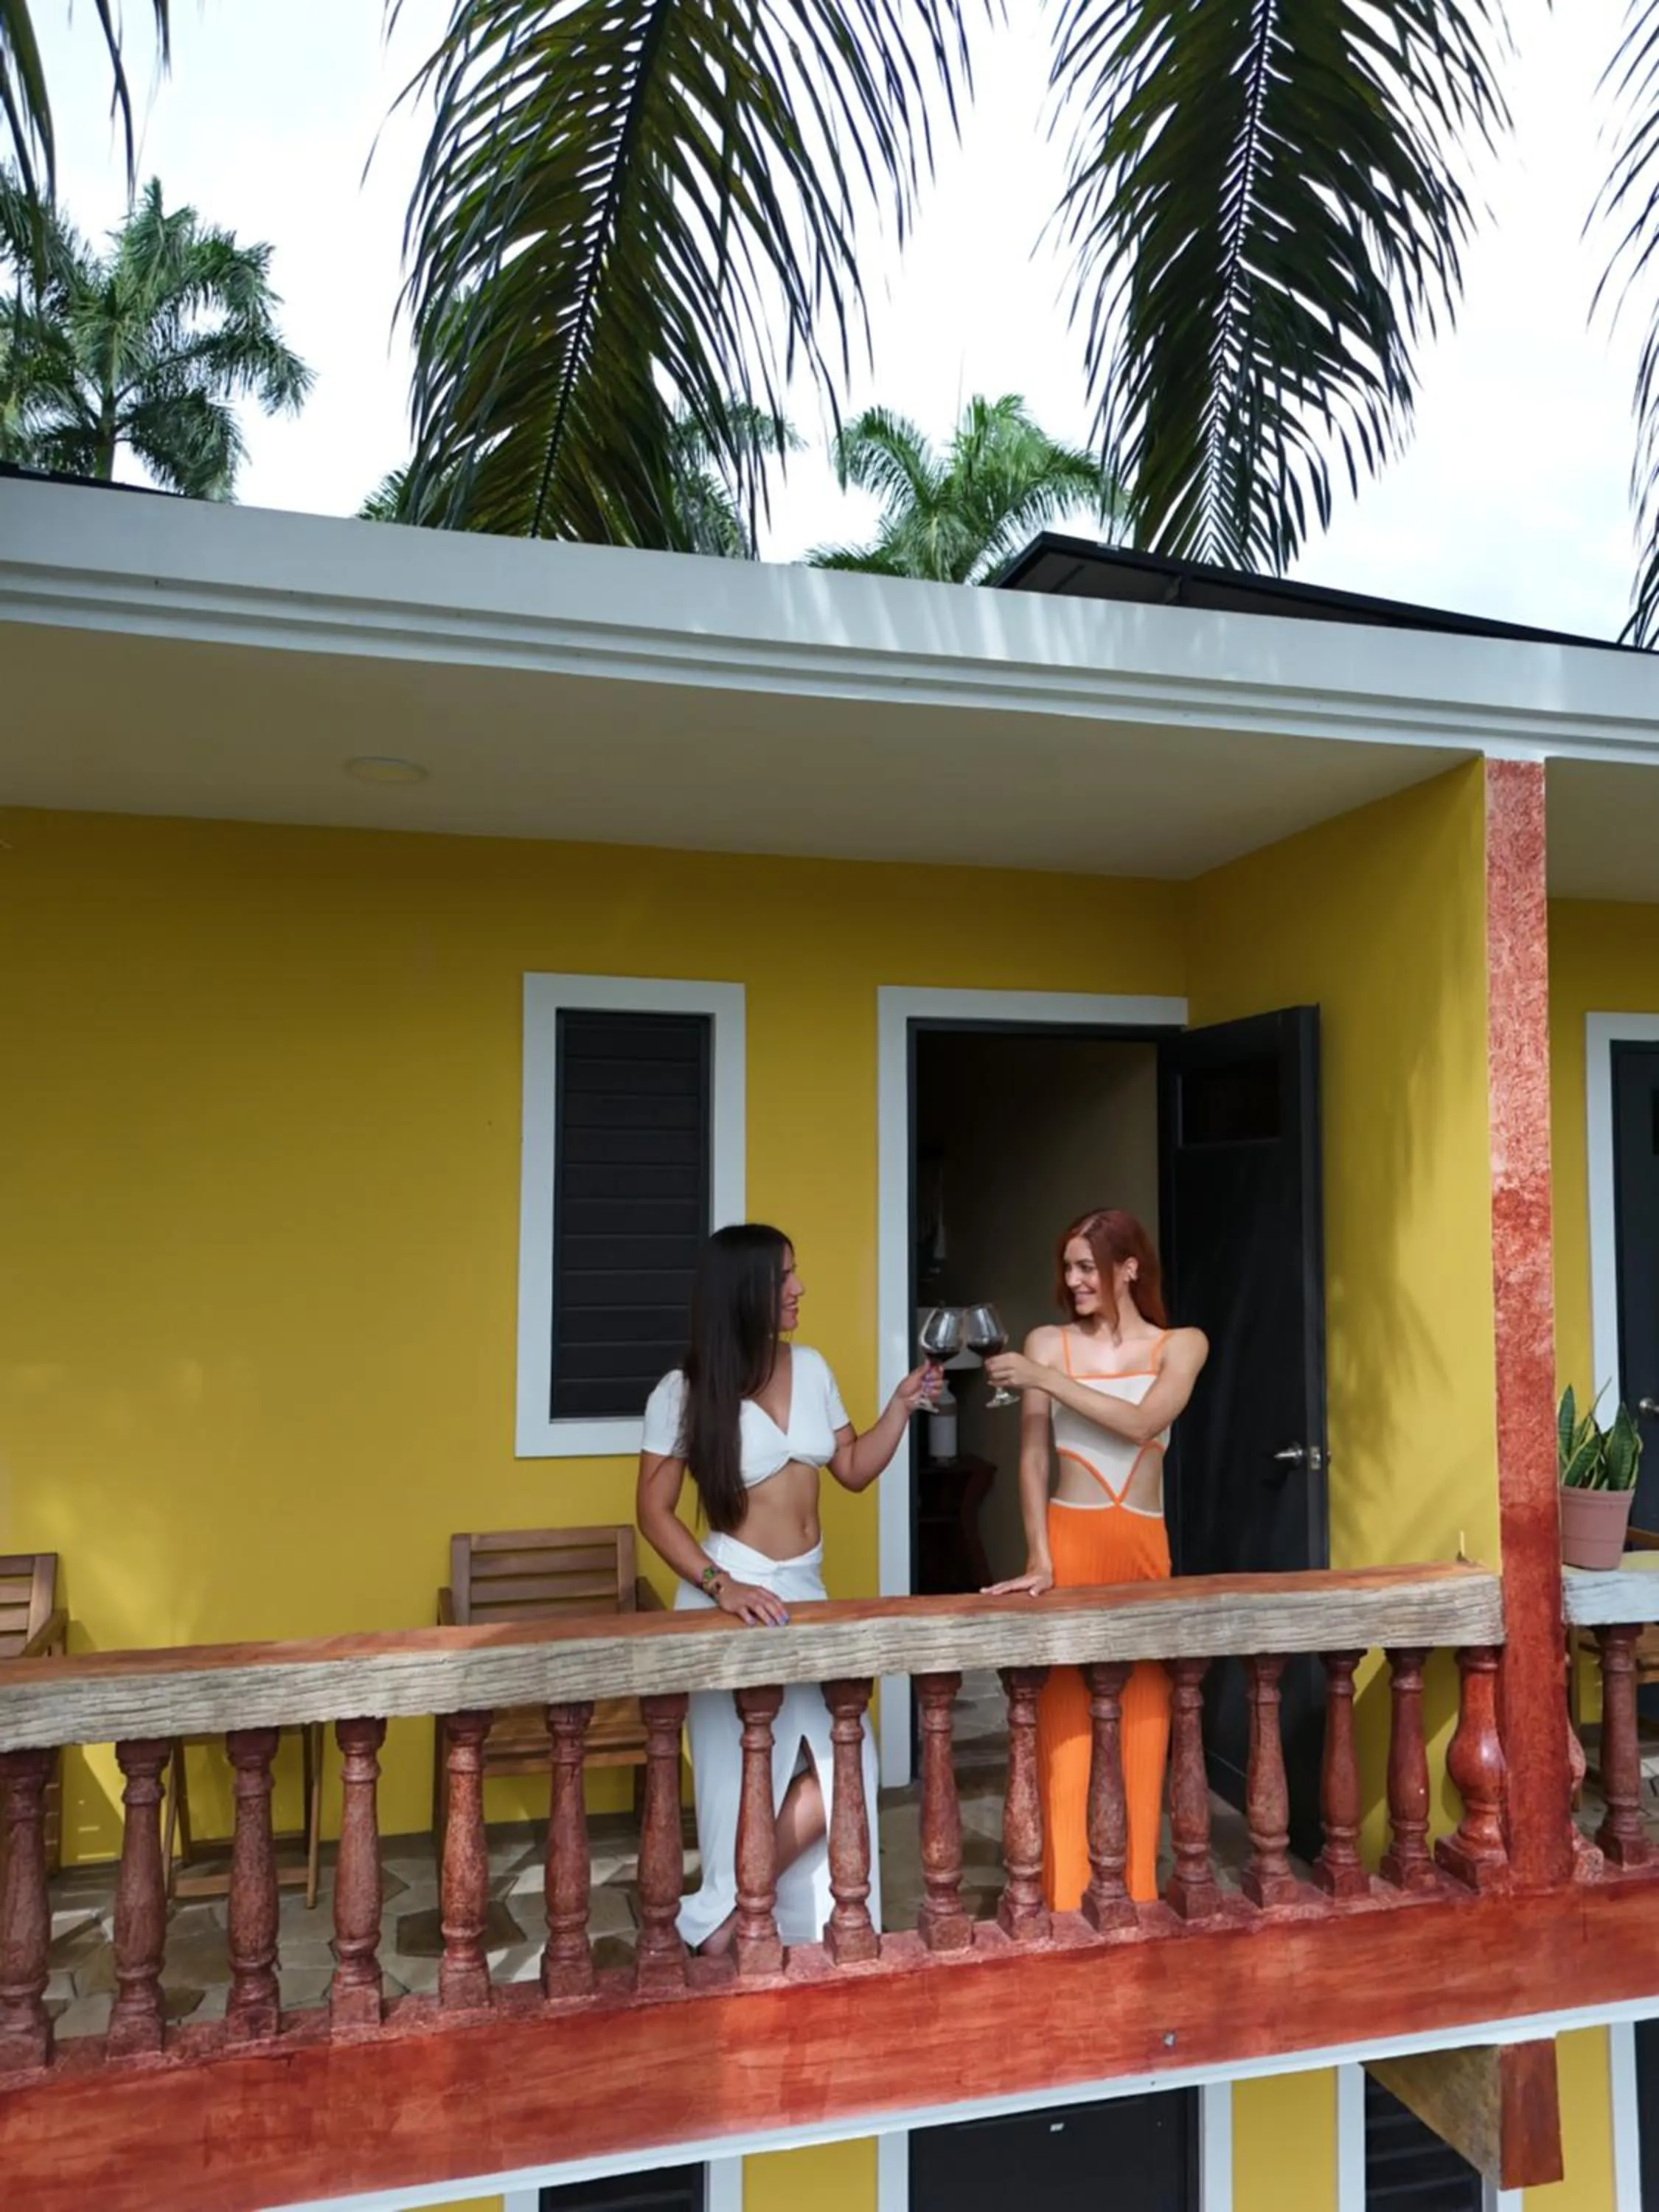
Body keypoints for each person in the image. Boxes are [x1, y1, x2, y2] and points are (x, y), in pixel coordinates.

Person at [636, 1222, 936, 1955]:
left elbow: (855, 1469)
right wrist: (722, 1584)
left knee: (845, 1759)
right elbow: (652, 1510)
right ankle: (737, 1930)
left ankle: (720, 1921)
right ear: (745, 1294)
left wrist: (900, 1406)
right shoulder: (684, 1391)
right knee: (741, 1779)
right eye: (785, 1278)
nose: (800, 1289)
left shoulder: (813, 1366)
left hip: (806, 1593)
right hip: (734, 1596)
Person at [983, 1209, 1207, 1908]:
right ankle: (1061, 1910)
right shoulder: (1047, 1343)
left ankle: (1134, 1907)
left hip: (1143, 1552)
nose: (1073, 1280)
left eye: (1087, 1266)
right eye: (1069, 1267)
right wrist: (1039, 1557)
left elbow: (1144, 1423)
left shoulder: (1183, 1345)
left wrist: (1046, 1383)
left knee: (1143, 1751)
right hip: (1069, 1546)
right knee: (1065, 1753)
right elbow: (1030, 1459)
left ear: (1128, 1268)